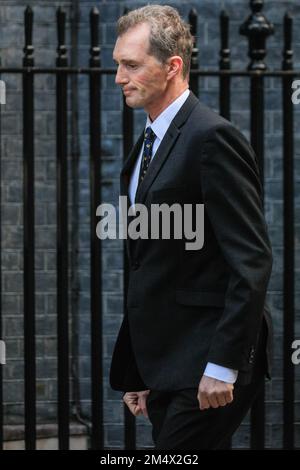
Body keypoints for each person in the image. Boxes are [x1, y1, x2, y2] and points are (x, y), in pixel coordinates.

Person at [109, 5, 273, 450]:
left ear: (173, 66)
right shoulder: (146, 145)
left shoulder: (211, 139)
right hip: (166, 363)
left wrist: (224, 364)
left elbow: (252, 259)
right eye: (118, 65)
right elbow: (150, 267)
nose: (120, 77)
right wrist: (138, 372)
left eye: (131, 65)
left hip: (208, 362)